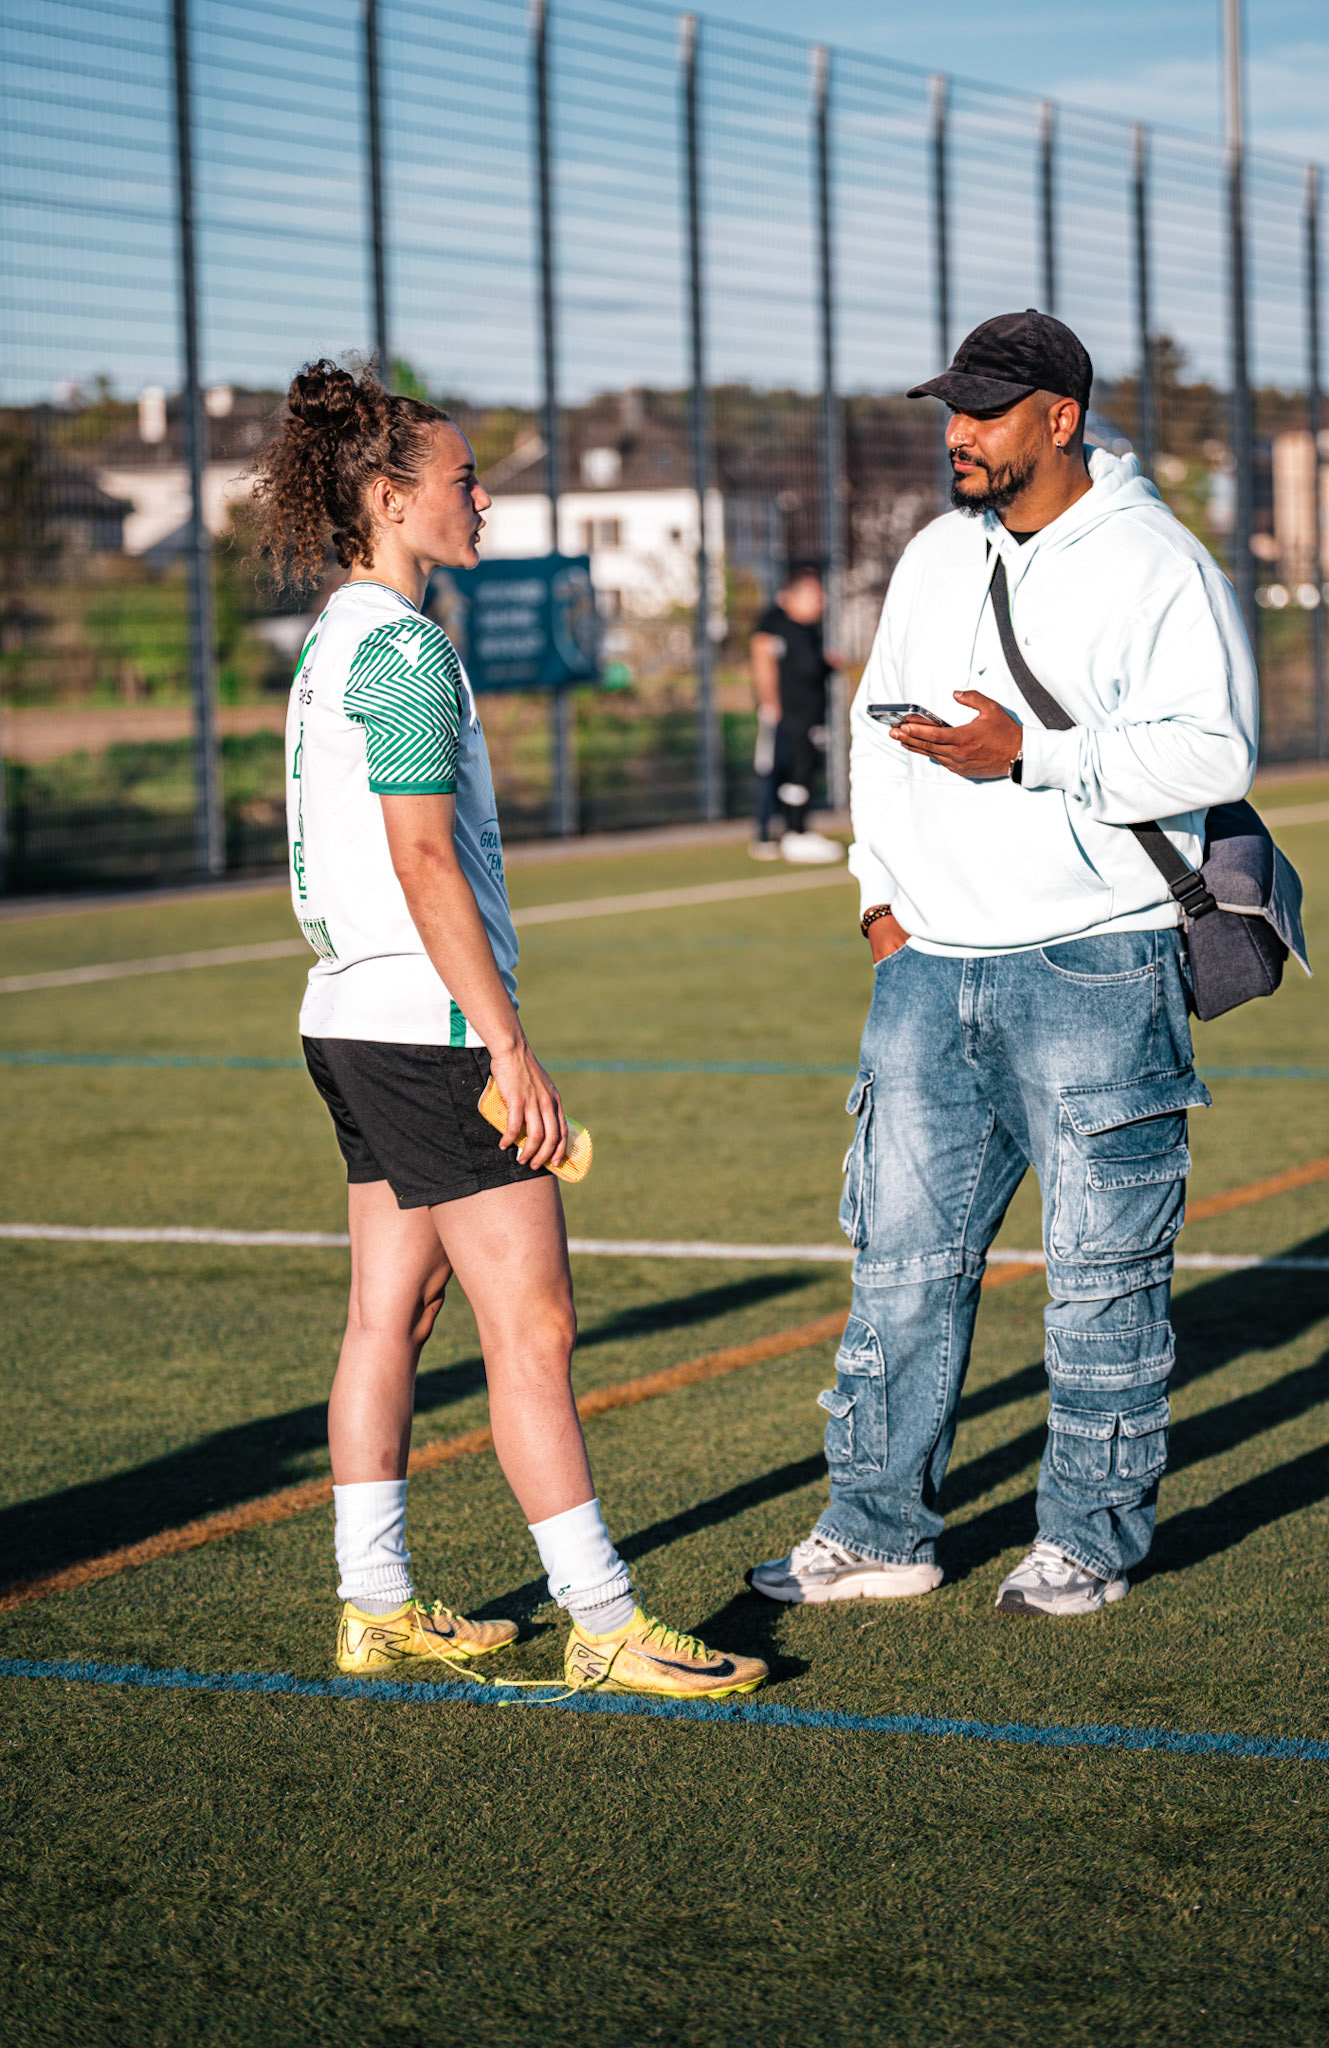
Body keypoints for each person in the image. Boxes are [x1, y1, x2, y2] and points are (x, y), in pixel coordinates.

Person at [254, 359, 765, 1698]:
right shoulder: (405, 649)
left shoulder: (331, 643)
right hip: (423, 1033)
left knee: (390, 1313)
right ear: (386, 496)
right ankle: (601, 1619)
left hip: (347, 1024)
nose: (485, 497)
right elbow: (424, 861)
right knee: (531, 1327)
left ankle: (375, 1607)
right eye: (464, 478)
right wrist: (507, 1045)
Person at [750, 310, 1257, 1616]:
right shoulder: (932, 553)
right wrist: (878, 900)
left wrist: (1030, 756)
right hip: (927, 970)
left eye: (982, 410)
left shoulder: (1155, 562)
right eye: (949, 411)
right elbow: (876, 726)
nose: (957, 434)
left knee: (1099, 1287)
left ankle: (1084, 1541)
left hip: (1097, 966)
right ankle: (877, 1531)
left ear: (1059, 417)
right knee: (897, 1278)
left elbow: (1214, 753)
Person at [748, 563, 845, 865]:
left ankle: (796, 831)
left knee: (802, 771)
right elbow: (762, 657)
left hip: (809, 715)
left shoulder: (808, 630)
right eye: (816, 594)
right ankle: (776, 833)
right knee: (776, 771)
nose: (822, 601)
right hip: (788, 715)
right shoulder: (776, 623)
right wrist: (769, 702)